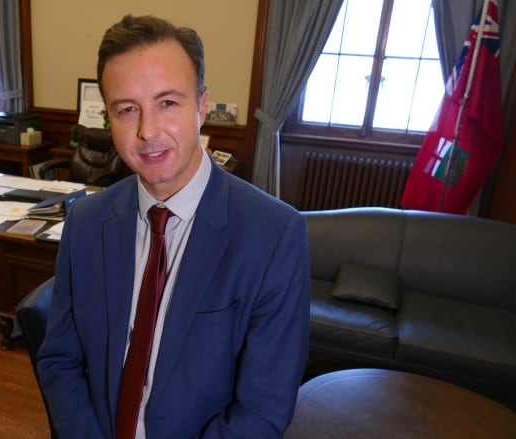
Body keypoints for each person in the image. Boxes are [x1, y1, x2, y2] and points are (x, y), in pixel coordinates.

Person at [36, 14, 311, 439]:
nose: (148, 132)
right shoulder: (86, 222)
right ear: (109, 118)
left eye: (168, 103)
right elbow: (59, 361)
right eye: (128, 109)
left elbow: (263, 409)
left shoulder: (275, 235)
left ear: (201, 106)